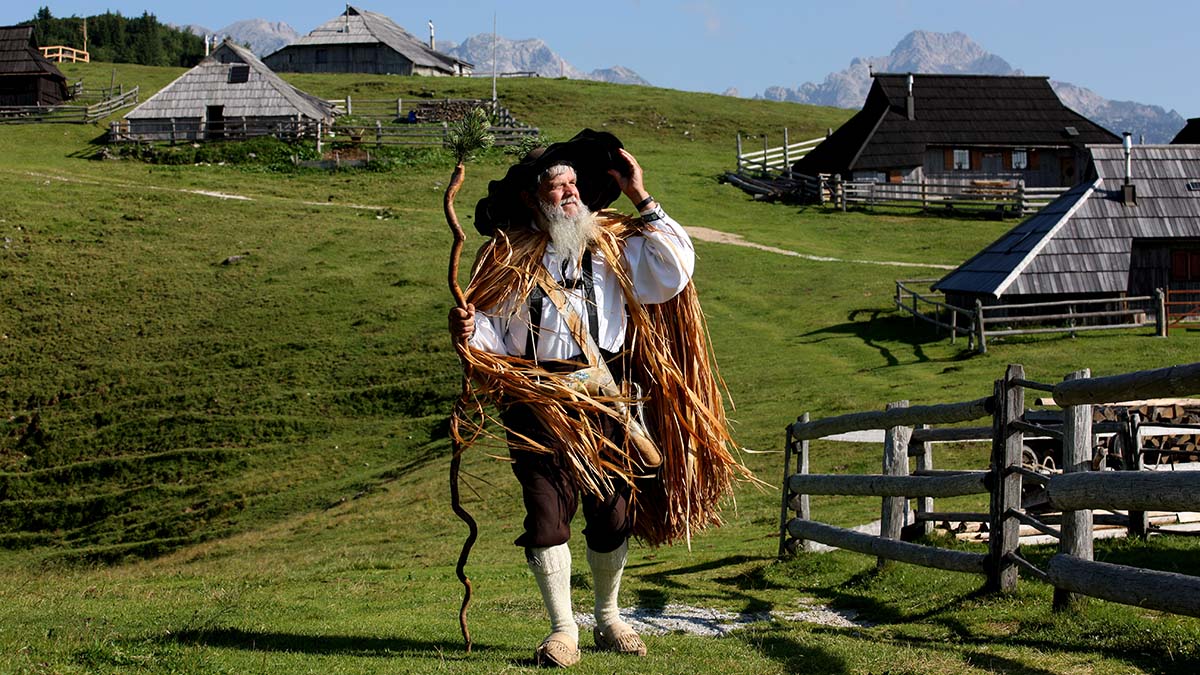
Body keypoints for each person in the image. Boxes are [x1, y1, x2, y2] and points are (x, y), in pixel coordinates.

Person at [449, 129, 744, 668]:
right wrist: (468, 330)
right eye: (556, 187)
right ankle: (563, 632)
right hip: (536, 404)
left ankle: (608, 618)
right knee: (546, 518)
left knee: (612, 515)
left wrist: (640, 194)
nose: (569, 193)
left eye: (572, 183)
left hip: (607, 402)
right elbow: (492, 332)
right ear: (531, 200)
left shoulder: (615, 245)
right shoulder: (507, 258)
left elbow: (676, 269)